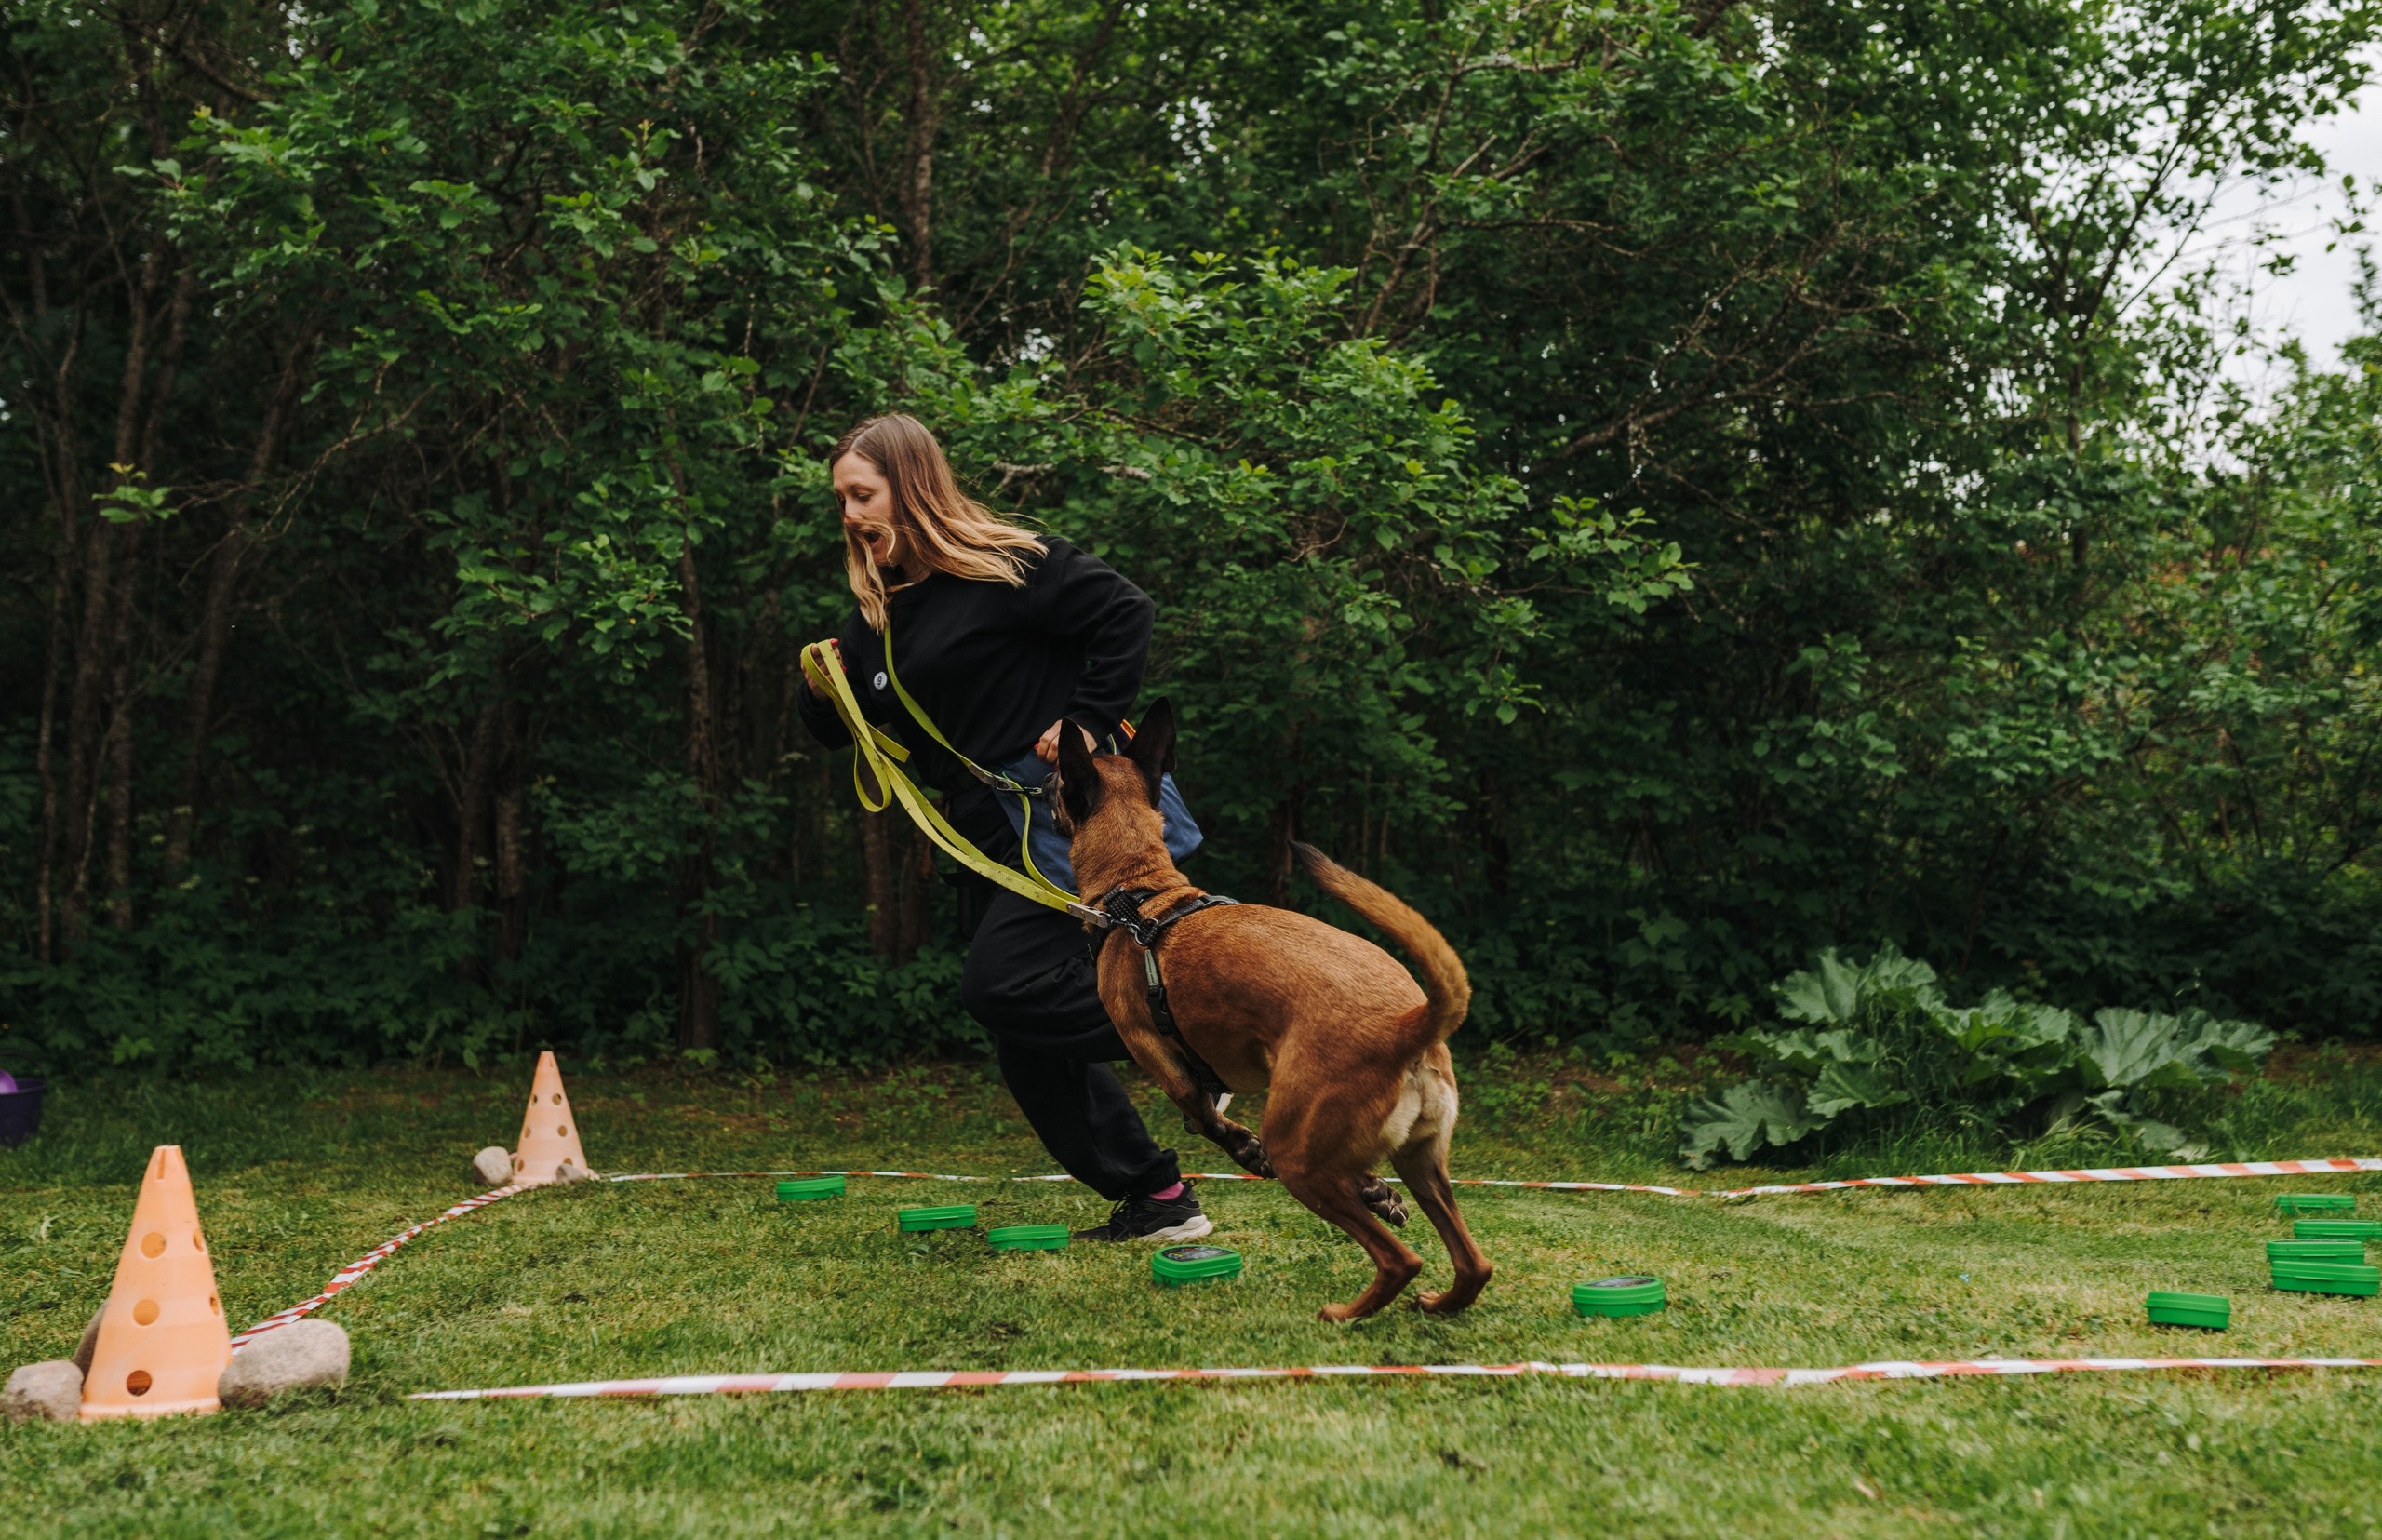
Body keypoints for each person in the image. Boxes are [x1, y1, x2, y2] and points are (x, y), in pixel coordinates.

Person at [796, 413, 1212, 1243]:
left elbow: (1126, 613)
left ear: (911, 486)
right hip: (991, 839)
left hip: (1073, 823)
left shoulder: (1008, 564)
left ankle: (1200, 1042)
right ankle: (1158, 1200)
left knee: (1000, 985)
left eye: (861, 494)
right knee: (1024, 1034)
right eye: (841, 499)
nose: (848, 514)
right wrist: (818, 691)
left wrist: (1089, 721)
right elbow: (849, 726)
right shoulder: (875, 616)